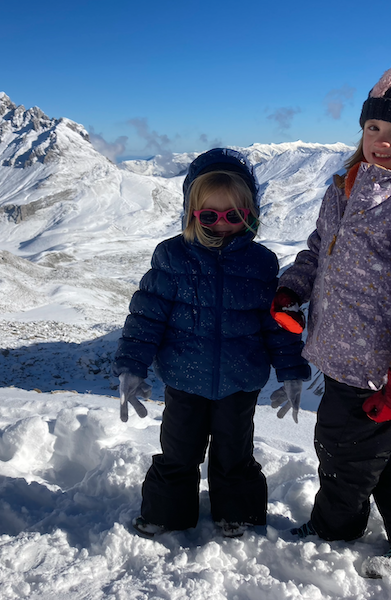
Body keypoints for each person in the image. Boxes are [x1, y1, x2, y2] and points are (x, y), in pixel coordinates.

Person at [270, 29, 391, 578]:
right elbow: (318, 249)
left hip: (378, 361)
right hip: (341, 348)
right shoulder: (348, 184)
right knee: (384, 440)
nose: (381, 139)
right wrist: (294, 288)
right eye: (374, 125)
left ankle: (335, 529)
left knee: (343, 447)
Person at [113, 148, 311, 538]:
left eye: (233, 216)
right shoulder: (172, 257)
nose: (221, 225)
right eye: (209, 216)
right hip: (184, 379)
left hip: (239, 382)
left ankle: (239, 514)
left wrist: (291, 371)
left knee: (234, 454)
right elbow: (146, 318)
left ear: (250, 215)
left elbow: (275, 325)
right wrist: (132, 365)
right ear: (191, 214)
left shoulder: (261, 263)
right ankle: (167, 514)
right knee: (178, 452)